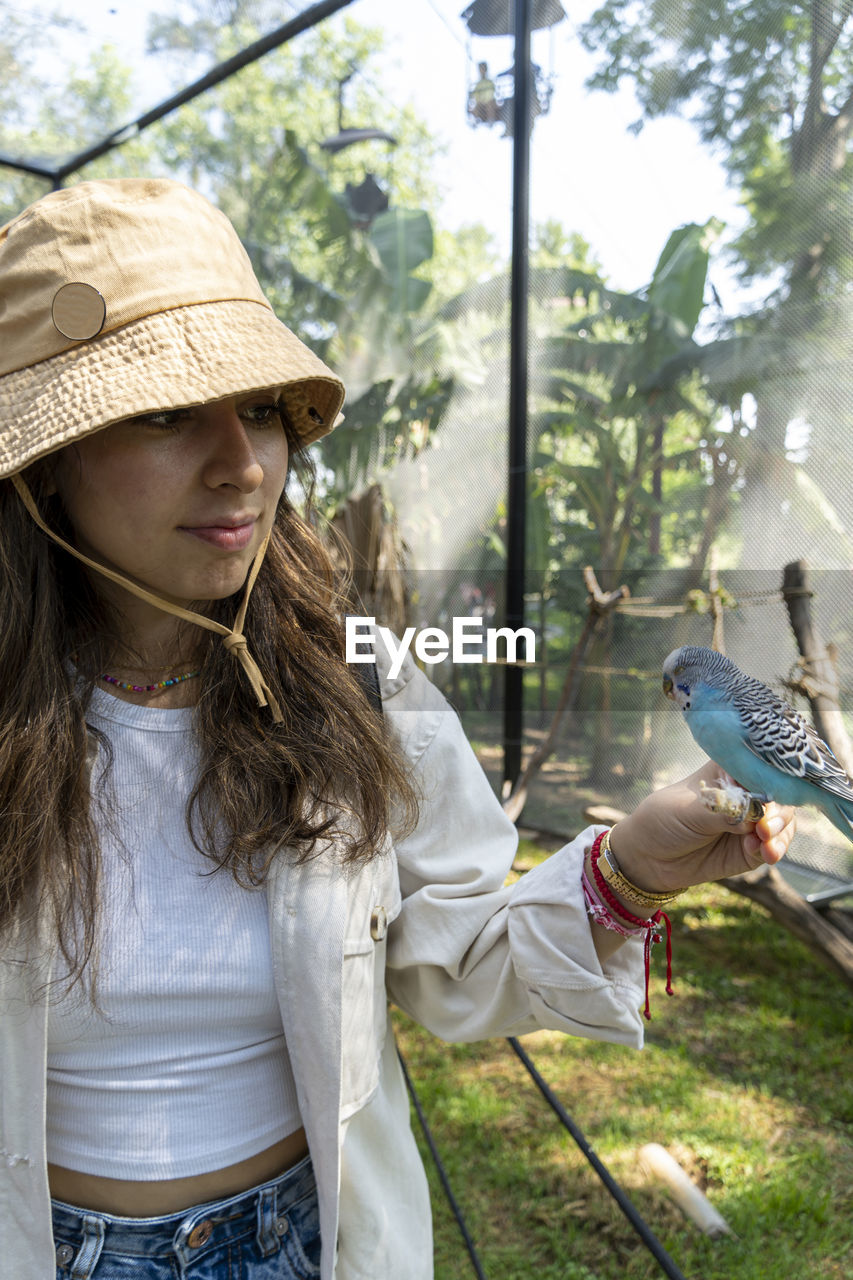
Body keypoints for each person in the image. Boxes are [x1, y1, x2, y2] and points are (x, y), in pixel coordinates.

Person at [0, 178, 795, 1280]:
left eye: (264, 408)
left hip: (305, 1243)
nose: (241, 460)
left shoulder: (355, 680)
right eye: (165, 411)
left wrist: (628, 866)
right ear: (46, 463)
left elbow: (460, 955)